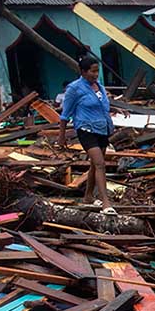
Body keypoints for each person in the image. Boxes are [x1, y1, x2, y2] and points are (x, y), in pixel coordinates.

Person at [59, 55, 116, 215]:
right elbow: (65, 115)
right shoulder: (74, 89)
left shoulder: (100, 87)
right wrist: (61, 136)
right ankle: (105, 203)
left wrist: (115, 110)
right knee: (100, 164)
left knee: (94, 165)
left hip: (102, 130)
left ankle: (88, 197)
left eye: (97, 71)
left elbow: (101, 106)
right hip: (86, 130)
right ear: (83, 71)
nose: (96, 74)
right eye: (92, 71)